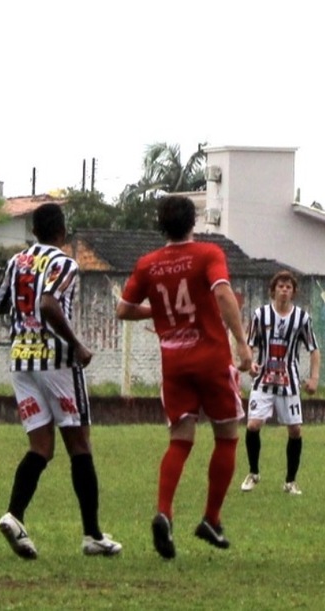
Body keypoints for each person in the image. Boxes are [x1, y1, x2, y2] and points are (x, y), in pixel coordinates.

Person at [116, 195, 253, 559]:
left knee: (180, 440)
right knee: (226, 436)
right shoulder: (208, 254)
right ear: (194, 221)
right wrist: (242, 343)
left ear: (161, 225)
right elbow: (222, 293)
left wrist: (155, 312)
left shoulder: (148, 264)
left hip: (174, 363)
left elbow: (123, 309)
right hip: (210, 358)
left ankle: (164, 511)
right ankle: (211, 518)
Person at [0, 203, 122, 560]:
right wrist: (76, 344)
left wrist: (22, 308)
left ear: (33, 232)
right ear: (62, 233)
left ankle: (13, 516)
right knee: (79, 444)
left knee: (41, 447)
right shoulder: (65, 263)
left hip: (21, 361)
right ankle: (93, 535)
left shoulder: (18, 262)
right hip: (56, 360)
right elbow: (48, 304)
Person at [240, 270, 320, 495]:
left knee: (295, 430)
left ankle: (290, 481)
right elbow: (249, 345)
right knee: (253, 425)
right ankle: (253, 473)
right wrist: (251, 364)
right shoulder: (260, 315)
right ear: (273, 290)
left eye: (288, 287)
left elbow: (314, 350)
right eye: (280, 286)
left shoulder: (301, 318)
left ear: (294, 292)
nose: (284, 290)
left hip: (290, 383)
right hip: (263, 380)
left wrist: (314, 378)